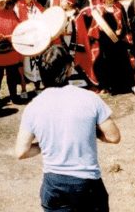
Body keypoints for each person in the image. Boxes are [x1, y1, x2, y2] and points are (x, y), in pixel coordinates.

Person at [15, 44, 120, 212]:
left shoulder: (33, 107)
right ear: (69, 69)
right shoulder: (90, 99)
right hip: (87, 185)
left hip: (54, 185)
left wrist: (46, 145)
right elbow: (114, 137)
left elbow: (21, 152)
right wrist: (90, 132)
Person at [92, 0, 135, 95]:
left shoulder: (119, 7)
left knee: (122, 61)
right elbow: (94, 27)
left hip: (119, 41)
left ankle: (126, 86)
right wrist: (100, 28)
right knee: (107, 63)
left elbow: (125, 24)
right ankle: (111, 87)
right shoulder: (99, 9)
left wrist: (123, 34)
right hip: (105, 42)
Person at [14, 0, 44, 95]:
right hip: (25, 39)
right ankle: (23, 89)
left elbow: (43, 17)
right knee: (24, 64)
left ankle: (38, 86)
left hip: (37, 38)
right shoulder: (18, 6)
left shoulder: (36, 5)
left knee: (37, 62)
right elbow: (17, 24)